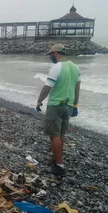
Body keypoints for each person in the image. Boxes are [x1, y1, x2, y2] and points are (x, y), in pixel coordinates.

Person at [36, 44, 81, 179]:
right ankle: (56, 158)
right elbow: (77, 89)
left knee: (54, 135)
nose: (50, 57)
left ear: (55, 53)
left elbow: (47, 87)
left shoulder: (56, 67)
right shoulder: (75, 67)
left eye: (50, 55)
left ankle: (59, 166)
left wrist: (39, 101)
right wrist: (75, 105)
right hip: (68, 105)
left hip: (56, 105)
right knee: (61, 133)